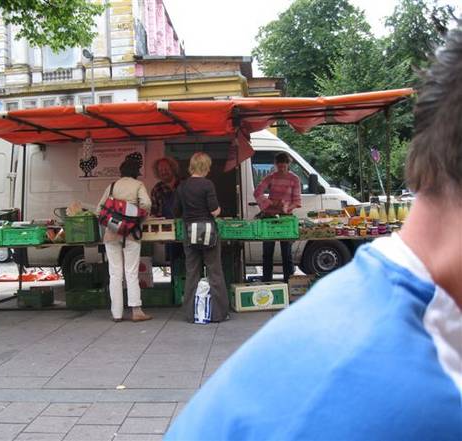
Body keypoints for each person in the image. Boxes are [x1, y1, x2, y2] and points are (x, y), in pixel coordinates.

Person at [165, 24, 462, 441]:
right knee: (219, 270)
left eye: (286, 167)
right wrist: (269, 204)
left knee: (228, 267)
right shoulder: (426, 399)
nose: (285, 170)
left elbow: (185, 209)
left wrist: (284, 204)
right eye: (283, 167)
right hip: (214, 228)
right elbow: (233, 201)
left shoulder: (187, 185)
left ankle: (207, 307)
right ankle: (220, 308)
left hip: (194, 230)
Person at [174, 152, 229, 323]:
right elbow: (214, 210)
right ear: (206, 167)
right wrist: (219, 211)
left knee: (192, 272)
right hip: (208, 233)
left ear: (191, 166)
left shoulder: (182, 186)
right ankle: (219, 314)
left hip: (189, 232)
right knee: (214, 271)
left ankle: (191, 313)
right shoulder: (207, 185)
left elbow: (176, 211)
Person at [97, 156, 152, 322]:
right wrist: (137, 217)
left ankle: (117, 314)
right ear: (136, 173)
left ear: (121, 172)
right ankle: (136, 311)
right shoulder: (138, 185)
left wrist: (114, 223)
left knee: (114, 273)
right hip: (131, 233)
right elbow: (147, 204)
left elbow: (99, 209)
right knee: (131, 271)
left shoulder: (112, 186)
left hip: (112, 233)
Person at [253, 152, 301, 283]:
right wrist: (269, 203)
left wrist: (286, 207)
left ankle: (289, 282)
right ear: (275, 165)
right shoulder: (271, 177)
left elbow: (297, 201)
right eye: (279, 167)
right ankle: (266, 281)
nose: (281, 169)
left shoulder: (294, 179)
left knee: (287, 253)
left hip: (286, 218)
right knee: (267, 252)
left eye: (283, 167)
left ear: (288, 165)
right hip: (269, 217)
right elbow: (257, 192)